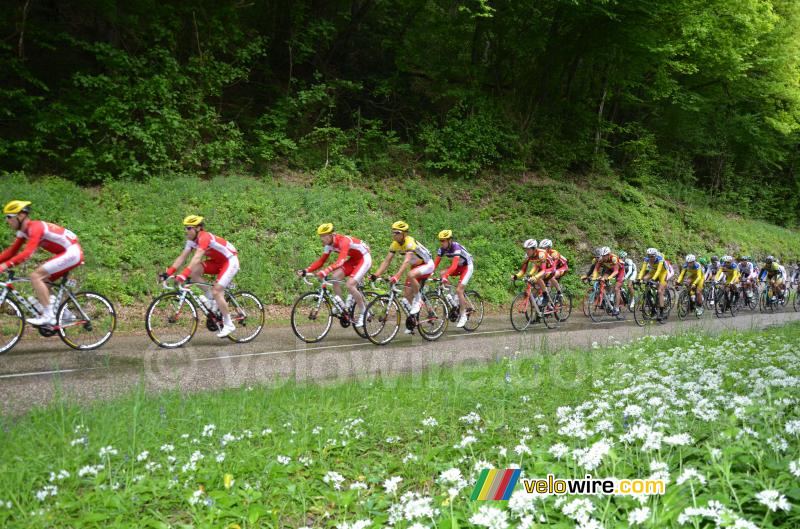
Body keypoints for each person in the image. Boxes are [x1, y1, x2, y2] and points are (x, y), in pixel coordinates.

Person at [0, 200, 84, 326]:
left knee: (35, 276)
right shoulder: (24, 231)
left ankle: (49, 316)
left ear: (21, 216)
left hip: (72, 252)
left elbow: (27, 253)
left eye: (9, 217)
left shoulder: (35, 227)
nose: (7, 220)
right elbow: (12, 251)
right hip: (67, 253)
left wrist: (6, 265)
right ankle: (65, 315)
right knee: (44, 283)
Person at [163, 215, 239, 338]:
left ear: (198, 228)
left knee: (217, 291)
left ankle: (229, 324)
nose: (186, 231)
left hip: (230, 261)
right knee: (194, 272)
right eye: (185, 228)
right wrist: (168, 273)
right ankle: (212, 300)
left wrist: (183, 275)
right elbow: (183, 257)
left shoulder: (204, 237)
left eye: (188, 228)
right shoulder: (191, 241)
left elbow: (197, 257)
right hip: (216, 262)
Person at [299, 223, 372, 327]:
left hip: (364, 258)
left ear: (331, 235)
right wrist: (306, 270)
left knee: (350, 285)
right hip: (354, 260)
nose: (322, 239)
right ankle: (340, 305)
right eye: (321, 236)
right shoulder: (329, 245)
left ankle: (364, 313)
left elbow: (340, 261)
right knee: (334, 277)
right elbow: (321, 261)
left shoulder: (344, 241)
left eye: (324, 236)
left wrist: (326, 271)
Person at [371, 221, 434, 325]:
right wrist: (376, 274)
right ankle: (417, 318)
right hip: (416, 266)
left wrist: (397, 276)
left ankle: (418, 300)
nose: (394, 235)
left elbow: (406, 261)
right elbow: (387, 261)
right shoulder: (395, 244)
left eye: (397, 233)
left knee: (410, 275)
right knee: (407, 294)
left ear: (404, 234)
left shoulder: (409, 242)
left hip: (427, 264)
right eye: (393, 232)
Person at [433, 230, 473, 328]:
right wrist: (430, 273)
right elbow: (435, 264)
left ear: (450, 240)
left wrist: (446, 277)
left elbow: (454, 266)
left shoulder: (456, 248)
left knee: (459, 290)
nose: (442, 243)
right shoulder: (442, 249)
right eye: (440, 241)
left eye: (444, 241)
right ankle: (453, 300)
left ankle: (463, 315)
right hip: (459, 266)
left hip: (467, 267)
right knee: (442, 273)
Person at [637, 247, 669, 322]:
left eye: (652, 256)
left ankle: (661, 313)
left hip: (662, 272)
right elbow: (642, 270)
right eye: (649, 256)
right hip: (653, 271)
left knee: (660, 291)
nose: (650, 258)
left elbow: (659, 271)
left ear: (655, 255)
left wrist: (653, 279)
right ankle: (652, 306)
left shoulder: (660, 259)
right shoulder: (646, 259)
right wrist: (638, 279)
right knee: (645, 279)